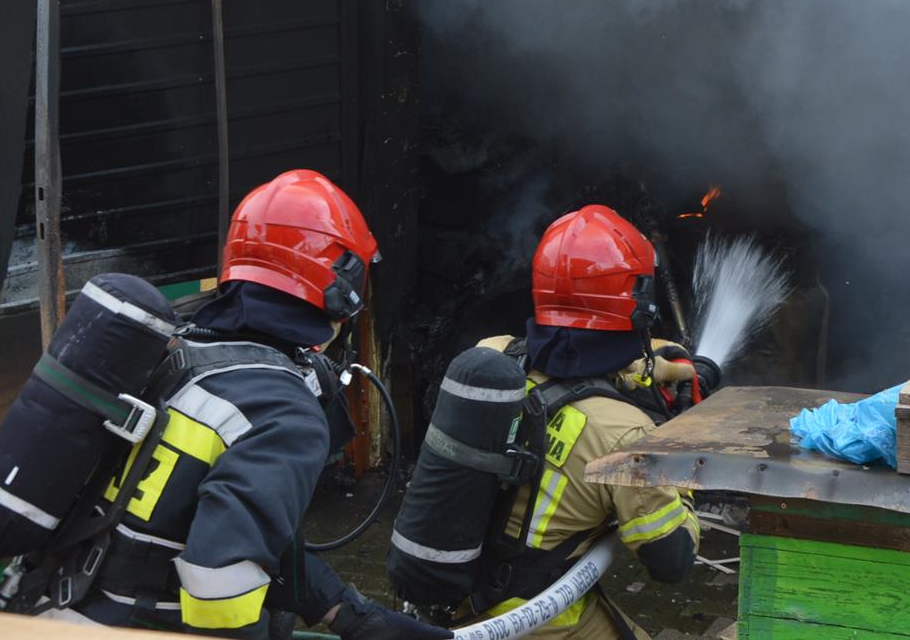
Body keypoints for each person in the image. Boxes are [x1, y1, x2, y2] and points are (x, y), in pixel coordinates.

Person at [56, 169, 448, 640]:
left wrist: (348, 614)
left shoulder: (174, 355)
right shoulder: (284, 415)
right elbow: (219, 590)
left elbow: (242, 529)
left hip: (55, 606)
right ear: (341, 288)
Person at [467, 204, 706, 640]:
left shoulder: (490, 358)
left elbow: (568, 359)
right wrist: (678, 473)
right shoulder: (624, 434)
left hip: (455, 592)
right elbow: (672, 562)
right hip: (538, 618)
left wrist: (662, 369)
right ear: (639, 306)